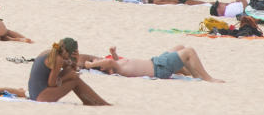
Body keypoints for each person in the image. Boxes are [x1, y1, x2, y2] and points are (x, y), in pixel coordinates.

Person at [29, 39, 109, 104]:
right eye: (70, 57)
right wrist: (67, 77)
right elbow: (51, 83)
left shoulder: (52, 52)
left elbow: (70, 69)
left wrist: (76, 61)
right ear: (67, 53)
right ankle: (98, 103)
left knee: (70, 73)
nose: (69, 59)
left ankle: (94, 102)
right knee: (75, 81)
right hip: (41, 96)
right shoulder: (58, 59)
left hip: (34, 93)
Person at [85, 45, 221, 82]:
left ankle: (193, 73)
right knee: (189, 51)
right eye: (97, 62)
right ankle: (207, 77)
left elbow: (113, 60)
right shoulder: (114, 67)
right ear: (103, 67)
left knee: (180, 47)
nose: (97, 59)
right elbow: (109, 62)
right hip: (159, 68)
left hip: (156, 61)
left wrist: (114, 53)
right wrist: (89, 65)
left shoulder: (116, 64)